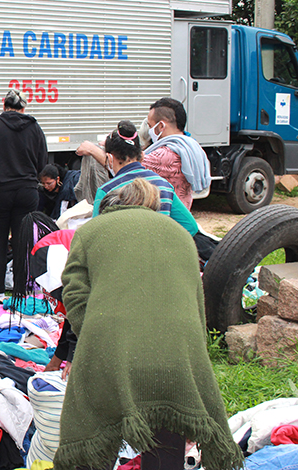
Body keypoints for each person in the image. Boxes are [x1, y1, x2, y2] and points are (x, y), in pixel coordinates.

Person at [54, 178, 243, 470]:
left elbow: (75, 293)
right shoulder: (181, 235)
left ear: (111, 205)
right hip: (176, 352)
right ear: (153, 206)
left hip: (110, 351)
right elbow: (196, 301)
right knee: (167, 428)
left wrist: (90, 333)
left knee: (91, 436)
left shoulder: (90, 231)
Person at [0, 89, 48, 294]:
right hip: (26, 191)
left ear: (4, 107)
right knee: (23, 243)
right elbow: (42, 163)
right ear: (23, 108)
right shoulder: (34, 128)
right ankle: (21, 291)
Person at [93, 120, 199, 236]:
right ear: (142, 156)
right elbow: (190, 226)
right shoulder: (165, 186)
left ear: (109, 158)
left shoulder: (106, 190)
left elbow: (95, 234)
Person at [142, 97, 211, 209]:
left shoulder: (165, 155)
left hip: (167, 219)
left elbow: (126, 166)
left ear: (160, 126)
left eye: (150, 126)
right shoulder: (190, 147)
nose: (149, 131)